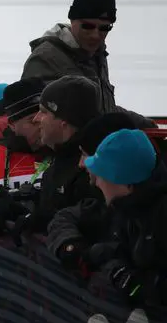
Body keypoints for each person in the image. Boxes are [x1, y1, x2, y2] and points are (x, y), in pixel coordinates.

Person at [49, 129, 167, 305]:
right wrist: (109, 260)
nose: (96, 182)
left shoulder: (159, 217)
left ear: (119, 178)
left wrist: (149, 285)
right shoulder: (124, 208)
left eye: (101, 174)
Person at [21, 0, 153, 127]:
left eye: (104, 28)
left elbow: (104, 111)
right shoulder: (46, 58)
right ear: (72, 19)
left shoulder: (97, 55)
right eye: (88, 26)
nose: (96, 35)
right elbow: (35, 122)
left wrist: (145, 124)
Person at [0, 76, 102, 238]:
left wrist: (43, 222)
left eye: (44, 112)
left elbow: (95, 222)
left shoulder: (91, 167)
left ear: (63, 121)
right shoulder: (60, 159)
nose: (37, 118)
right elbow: (52, 207)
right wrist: (13, 208)